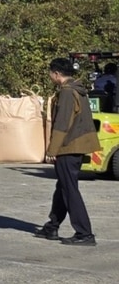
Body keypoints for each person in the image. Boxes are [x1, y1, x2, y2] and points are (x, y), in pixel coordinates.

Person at [36, 57, 101, 246]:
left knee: (69, 190)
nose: (50, 76)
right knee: (63, 187)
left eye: (50, 73)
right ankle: (52, 226)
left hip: (68, 146)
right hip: (77, 146)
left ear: (56, 73)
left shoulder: (66, 93)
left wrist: (52, 150)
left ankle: (84, 233)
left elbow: (62, 124)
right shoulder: (78, 90)